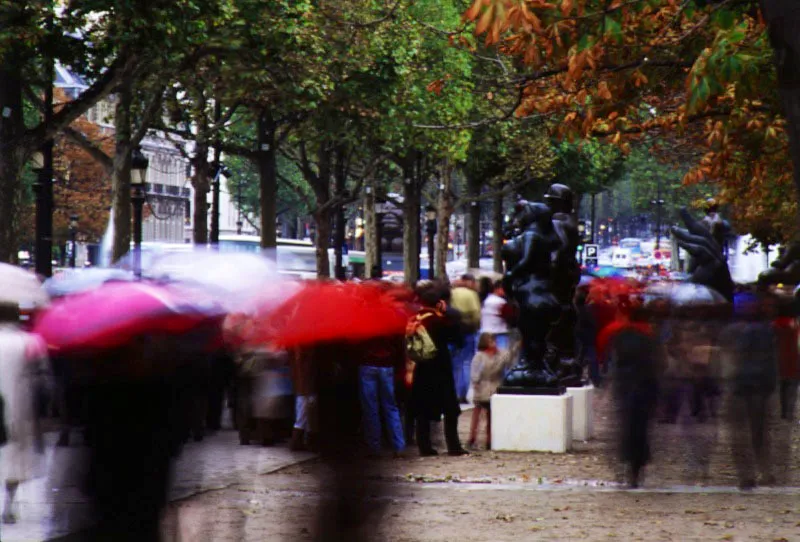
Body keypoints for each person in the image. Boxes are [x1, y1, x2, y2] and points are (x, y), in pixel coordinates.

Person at [0, 302, 45, 524]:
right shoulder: (29, 341)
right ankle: (8, 506)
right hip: (19, 404)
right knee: (14, 455)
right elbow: (42, 374)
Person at [411, 282, 468, 457]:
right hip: (440, 366)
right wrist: (445, 315)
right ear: (439, 303)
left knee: (422, 409)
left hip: (421, 367)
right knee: (450, 407)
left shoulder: (415, 319)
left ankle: (424, 446)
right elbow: (458, 341)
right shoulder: (441, 321)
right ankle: (453, 445)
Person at [354, 335, 406, 457]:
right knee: (391, 407)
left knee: (370, 409)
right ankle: (399, 446)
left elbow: (356, 342)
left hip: (367, 364)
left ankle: (374, 447)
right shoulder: (390, 318)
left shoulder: (362, 320)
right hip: (387, 364)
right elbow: (399, 343)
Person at [468, 332, 518, 450]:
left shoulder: (500, 355)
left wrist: (514, 348)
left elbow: (509, 362)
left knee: (491, 416)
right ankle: (472, 438)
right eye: (491, 341)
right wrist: (476, 383)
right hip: (482, 388)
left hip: (495, 388)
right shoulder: (479, 356)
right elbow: (475, 373)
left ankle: (490, 440)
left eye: (494, 341)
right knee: (477, 416)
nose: (494, 344)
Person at [449, 274, 482, 402]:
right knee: (466, 362)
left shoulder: (451, 293)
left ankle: (454, 390)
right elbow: (476, 313)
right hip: (468, 330)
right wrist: (476, 326)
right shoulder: (471, 294)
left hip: (452, 331)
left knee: (454, 362)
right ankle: (462, 392)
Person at [480, 280, 510, 350]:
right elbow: (509, 317)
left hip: (485, 332)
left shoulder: (486, 300)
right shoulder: (500, 302)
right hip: (498, 333)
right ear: (498, 289)